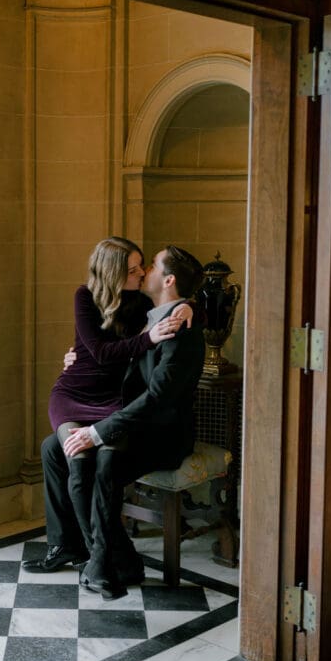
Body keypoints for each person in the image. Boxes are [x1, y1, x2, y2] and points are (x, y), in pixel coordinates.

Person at [38, 245, 205, 598]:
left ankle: (103, 560)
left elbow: (159, 398)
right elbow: (104, 348)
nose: (144, 272)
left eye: (151, 267)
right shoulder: (150, 311)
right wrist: (76, 358)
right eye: (137, 268)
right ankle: (98, 553)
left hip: (160, 433)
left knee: (98, 462)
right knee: (55, 448)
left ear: (168, 279)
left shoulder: (178, 324)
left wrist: (99, 432)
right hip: (129, 417)